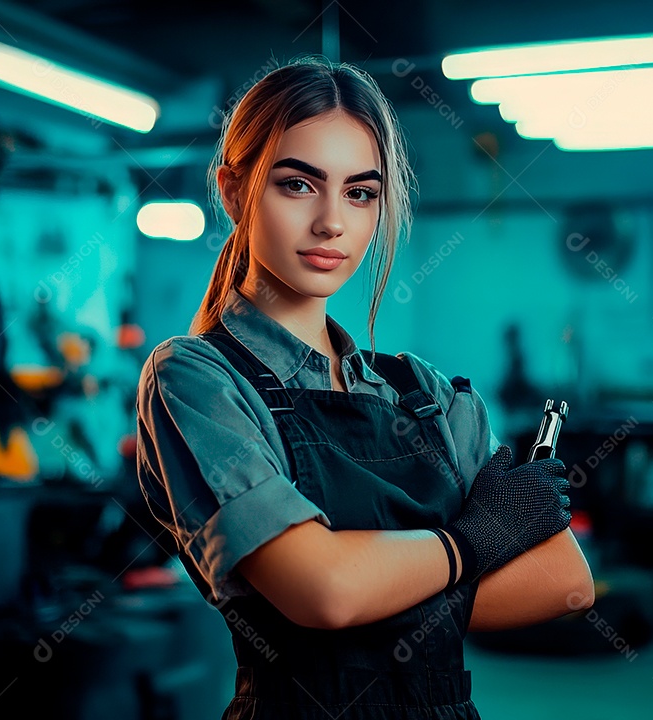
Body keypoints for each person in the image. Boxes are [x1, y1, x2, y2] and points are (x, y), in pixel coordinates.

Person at [136, 55, 595, 720]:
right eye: (298, 184)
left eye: (360, 193)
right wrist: (477, 540)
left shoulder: (429, 394)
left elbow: (565, 582)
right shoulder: (197, 378)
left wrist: (368, 584)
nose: (332, 222)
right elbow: (322, 590)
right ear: (234, 192)